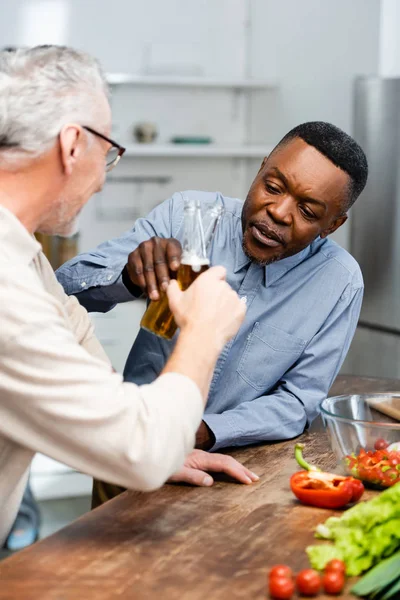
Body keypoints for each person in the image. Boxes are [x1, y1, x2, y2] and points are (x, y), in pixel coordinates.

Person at [0, 45, 257, 548]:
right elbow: (139, 451)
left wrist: (161, 436)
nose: (102, 180)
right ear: (73, 144)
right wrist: (203, 331)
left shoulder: (22, 254)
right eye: (109, 152)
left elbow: (75, 338)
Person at [57, 121, 368, 504]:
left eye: (307, 210)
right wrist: (128, 277)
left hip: (236, 477)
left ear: (332, 225)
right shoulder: (187, 215)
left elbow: (298, 402)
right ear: (261, 168)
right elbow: (60, 293)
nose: (279, 212)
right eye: (272, 187)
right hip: (133, 453)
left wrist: (197, 430)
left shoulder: (340, 282)